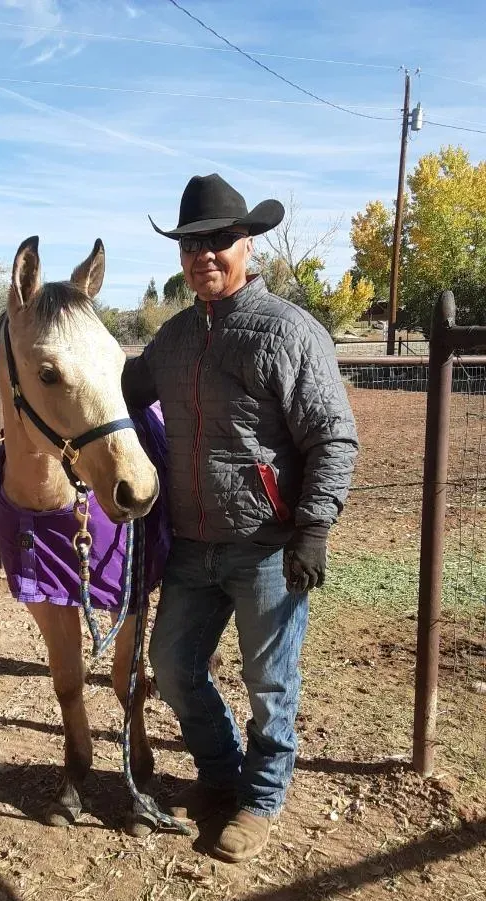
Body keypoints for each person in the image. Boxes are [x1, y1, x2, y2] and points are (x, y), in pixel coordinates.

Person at [122, 173, 359, 863]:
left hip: (266, 546)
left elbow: (332, 436)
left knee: (271, 682)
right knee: (170, 667)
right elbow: (119, 392)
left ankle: (260, 800)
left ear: (247, 245)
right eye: (192, 244)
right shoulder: (170, 341)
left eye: (219, 241)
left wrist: (313, 527)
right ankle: (221, 772)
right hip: (193, 546)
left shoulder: (288, 331)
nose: (204, 255)